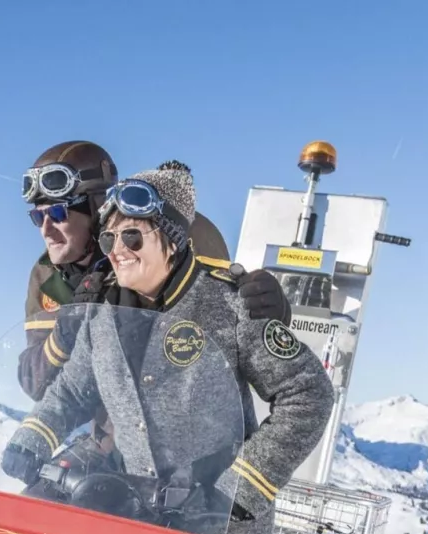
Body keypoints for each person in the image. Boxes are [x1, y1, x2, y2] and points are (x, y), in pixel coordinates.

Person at [2, 162, 335, 534]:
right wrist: (32, 438)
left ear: (173, 239)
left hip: (217, 531)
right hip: (135, 522)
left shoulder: (228, 305)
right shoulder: (101, 312)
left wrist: (243, 487)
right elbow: (72, 391)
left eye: (132, 237)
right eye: (109, 240)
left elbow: (308, 393)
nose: (118, 251)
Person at [17, 142, 295, 478]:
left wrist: (274, 311)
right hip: (112, 444)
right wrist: (68, 329)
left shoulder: (183, 236)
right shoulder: (48, 276)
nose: (45, 230)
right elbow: (39, 385)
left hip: (196, 457)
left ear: (97, 206)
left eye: (58, 213)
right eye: (37, 217)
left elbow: (223, 320)